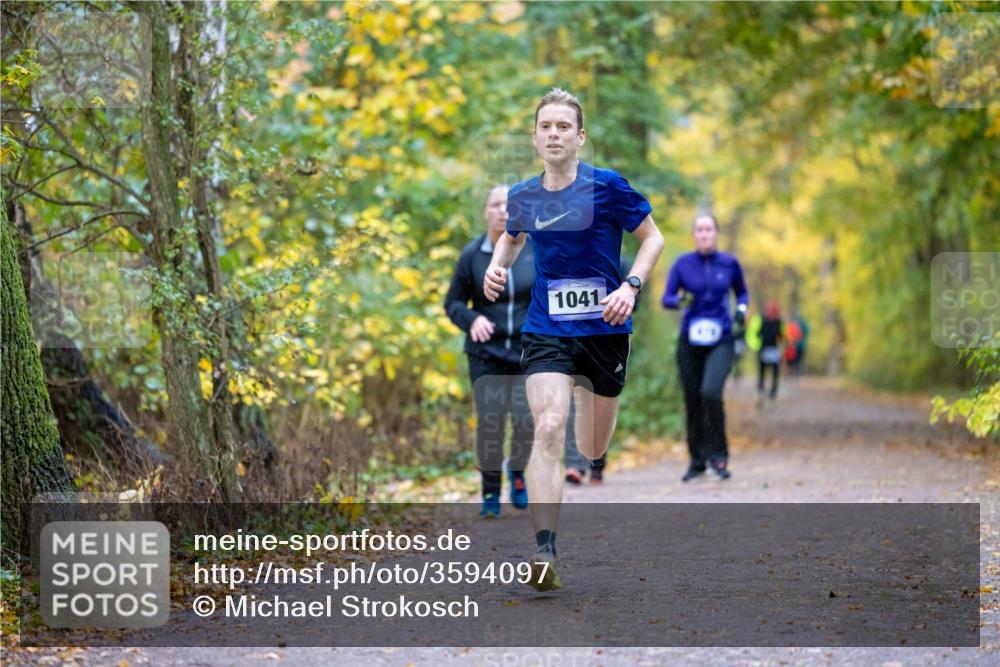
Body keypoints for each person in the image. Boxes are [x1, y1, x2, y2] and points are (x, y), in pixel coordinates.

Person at [483, 88, 664, 591]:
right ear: (535, 137)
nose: (555, 134)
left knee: (589, 445)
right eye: (546, 127)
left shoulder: (607, 187)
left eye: (564, 126)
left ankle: (594, 432)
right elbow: (512, 237)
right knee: (548, 427)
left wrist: (632, 285)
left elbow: (654, 238)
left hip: (606, 328)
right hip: (548, 330)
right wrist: (497, 268)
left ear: (580, 137)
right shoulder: (523, 195)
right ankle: (544, 551)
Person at [445, 185, 534, 518]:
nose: (503, 211)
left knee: (526, 421)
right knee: (491, 423)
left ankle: (519, 473)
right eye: (496, 205)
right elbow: (452, 302)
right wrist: (472, 319)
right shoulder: (473, 255)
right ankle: (491, 493)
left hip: (528, 352)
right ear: (486, 211)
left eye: (509, 205)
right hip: (487, 354)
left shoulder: (532, 250)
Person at [662, 213, 748, 483]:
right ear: (694, 235)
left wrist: (742, 310)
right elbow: (667, 298)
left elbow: (742, 292)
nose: (704, 234)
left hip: (720, 338)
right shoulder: (683, 264)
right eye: (699, 230)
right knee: (692, 398)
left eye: (709, 229)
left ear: (717, 233)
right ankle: (696, 461)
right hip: (690, 341)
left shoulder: (730, 263)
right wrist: (681, 301)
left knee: (711, 393)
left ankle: (719, 457)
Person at [564, 255, 639, 485]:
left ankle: (597, 463)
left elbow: (636, 300)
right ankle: (575, 464)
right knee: (574, 400)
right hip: (572, 334)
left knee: (600, 402)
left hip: (608, 338)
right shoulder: (569, 256)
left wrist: (620, 303)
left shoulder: (622, 262)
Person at [757, 301, 783, 404]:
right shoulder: (764, 320)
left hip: (771, 349)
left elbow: (781, 335)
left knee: (771, 371)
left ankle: (770, 390)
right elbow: (756, 333)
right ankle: (764, 390)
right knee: (765, 371)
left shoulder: (776, 321)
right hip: (766, 349)